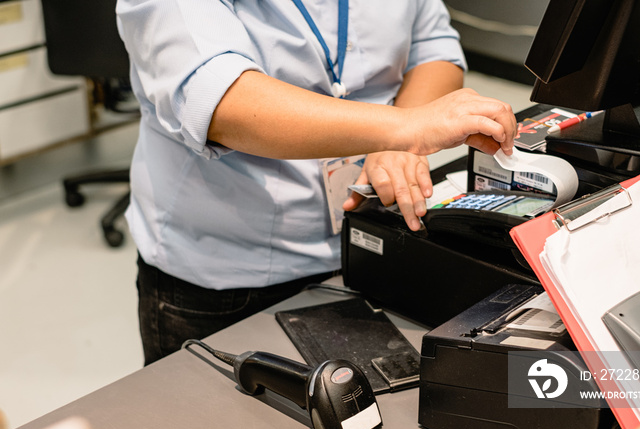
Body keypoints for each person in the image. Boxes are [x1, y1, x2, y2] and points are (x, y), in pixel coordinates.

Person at [116, 0, 517, 365]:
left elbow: (433, 46)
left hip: (371, 240)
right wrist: (404, 129)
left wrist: (396, 139)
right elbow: (220, 102)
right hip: (230, 271)